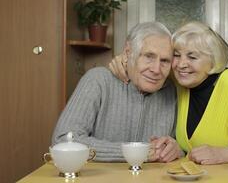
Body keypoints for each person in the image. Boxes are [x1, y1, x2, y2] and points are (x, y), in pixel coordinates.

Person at [109, 21, 228, 165]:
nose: (181, 64)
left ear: (213, 62)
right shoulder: (180, 81)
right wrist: (124, 61)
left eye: (192, 57)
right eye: (177, 55)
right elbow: (147, 64)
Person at [52, 22, 182, 162]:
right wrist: (134, 153)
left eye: (165, 61)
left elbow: (179, 145)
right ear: (127, 53)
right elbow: (63, 139)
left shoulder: (172, 91)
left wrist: (177, 150)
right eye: (149, 56)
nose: (156, 69)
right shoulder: (98, 80)